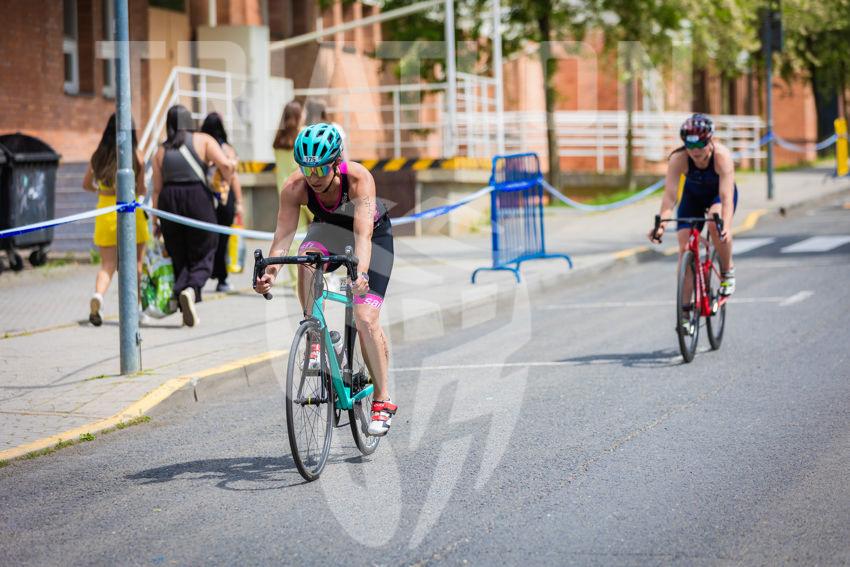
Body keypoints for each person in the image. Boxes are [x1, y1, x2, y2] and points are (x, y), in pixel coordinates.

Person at [254, 123, 396, 436]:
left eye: (319, 169)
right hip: (329, 231)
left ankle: (382, 400)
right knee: (305, 259)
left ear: (336, 162)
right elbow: (283, 235)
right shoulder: (295, 187)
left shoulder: (358, 178)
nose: (313, 177)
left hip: (372, 239)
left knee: (365, 317)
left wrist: (360, 274)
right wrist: (270, 273)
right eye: (307, 169)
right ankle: (314, 333)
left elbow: (362, 234)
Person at [649, 113, 738, 331]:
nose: (695, 151)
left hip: (718, 196)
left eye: (700, 144)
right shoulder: (678, 159)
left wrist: (726, 227)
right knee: (684, 248)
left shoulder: (722, 156)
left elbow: (726, 197)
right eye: (690, 145)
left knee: (714, 224)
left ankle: (727, 271)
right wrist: (661, 226)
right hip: (693, 197)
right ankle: (685, 313)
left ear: (710, 140)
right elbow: (670, 197)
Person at [151, 105, 236, 327]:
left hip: (168, 202)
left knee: (178, 253)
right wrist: (227, 177)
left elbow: (156, 190)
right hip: (197, 198)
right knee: (207, 246)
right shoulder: (203, 140)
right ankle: (192, 288)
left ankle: (185, 300)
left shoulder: (160, 151)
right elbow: (225, 165)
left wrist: (155, 220)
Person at [82, 113, 150, 327]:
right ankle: (136, 310)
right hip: (130, 211)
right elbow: (142, 189)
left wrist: (102, 190)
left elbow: (86, 184)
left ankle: (98, 297)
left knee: (107, 264)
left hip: (105, 212)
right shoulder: (136, 155)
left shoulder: (99, 155)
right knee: (136, 264)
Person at [201, 112, 244, 293]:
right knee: (223, 239)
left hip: (205, 197)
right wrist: (239, 202)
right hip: (225, 198)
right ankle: (222, 278)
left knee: (208, 238)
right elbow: (233, 177)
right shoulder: (227, 149)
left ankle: (206, 272)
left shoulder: (201, 147)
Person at [273, 100, 302, 194]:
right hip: (299, 185)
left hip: (282, 186)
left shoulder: (278, 137)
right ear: (298, 117)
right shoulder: (302, 135)